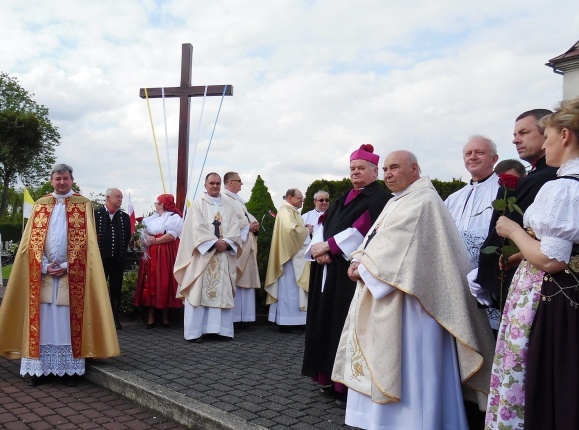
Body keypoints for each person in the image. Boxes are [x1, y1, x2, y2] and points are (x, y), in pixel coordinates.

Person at [331, 150, 495, 429]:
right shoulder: (401, 199)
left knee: (412, 365)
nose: (388, 174)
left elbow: (400, 247)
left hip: (414, 303)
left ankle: (416, 422)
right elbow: (376, 237)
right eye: (385, 169)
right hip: (393, 294)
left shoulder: (423, 200)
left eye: (394, 168)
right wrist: (359, 257)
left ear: (415, 169)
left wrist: (364, 267)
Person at [485, 98, 579, 429]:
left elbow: (552, 259)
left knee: (537, 376)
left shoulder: (564, 188)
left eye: (549, 136)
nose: (548, 143)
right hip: (562, 290)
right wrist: (519, 253)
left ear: (565, 136)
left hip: (549, 296)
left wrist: (512, 230)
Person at [0, 164, 120, 387]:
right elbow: (31, 243)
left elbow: (88, 244)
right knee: (42, 319)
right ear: (51, 180)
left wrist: (68, 265)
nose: (62, 182)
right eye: (58, 178)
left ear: (72, 180)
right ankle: (41, 370)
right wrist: (44, 266)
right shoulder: (41, 205)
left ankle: (70, 371)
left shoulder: (84, 205)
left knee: (67, 319)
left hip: (72, 274)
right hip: (43, 273)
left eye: (65, 178)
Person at [302, 144, 390, 406]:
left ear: (375, 171)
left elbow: (363, 229)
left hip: (350, 272)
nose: (355, 172)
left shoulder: (379, 199)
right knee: (326, 321)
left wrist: (330, 247)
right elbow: (322, 223)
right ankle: (327, 376)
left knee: (344, 323)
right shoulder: (343, 197)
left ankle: (347, 384)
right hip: (327, 269)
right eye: (352, 168)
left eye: (361, 168)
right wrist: (320, 250)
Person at [470, 109, 557, 312]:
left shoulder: (549, 178)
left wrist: (486, 271)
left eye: (524, 133)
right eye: (515, 135)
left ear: (547, 133)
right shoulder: (536, 174)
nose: (516, 140)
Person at [174, 173, 241, 343]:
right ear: (205, 185)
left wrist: (225, 242)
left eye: (218, 183)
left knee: (222, 290)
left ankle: (220, 330)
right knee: (198, 291)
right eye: (212, 183)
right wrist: (213, 244)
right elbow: (196, 229)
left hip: (223, 255)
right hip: (202, 257)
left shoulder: (229, 206)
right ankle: (196, 332)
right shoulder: (197, 205)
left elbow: (235, 228)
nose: (215, 186)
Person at [445, 135, 500, 269]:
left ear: (494, 159)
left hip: (489, 269)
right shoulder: (453, 198)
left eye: (480, 152)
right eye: (468, 153)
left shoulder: (503, 191)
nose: (473, 157)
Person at [133, 193, 183, 328]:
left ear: (162, 204)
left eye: (157, 202)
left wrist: (155, 240)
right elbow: (144, 233)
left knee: (164, 281)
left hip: (165, 253)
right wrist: (143, 239)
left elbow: (172, 235)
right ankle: (151, 315)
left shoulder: (173, 217)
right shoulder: (151, 219)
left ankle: (165, 315)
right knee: (149, 282)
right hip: (151, 254)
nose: (155, 205)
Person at [264, 188, 309, 330]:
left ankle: (294, 320)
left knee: (292, 290)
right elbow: (291, 232)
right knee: (290, 290)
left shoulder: (291, 211)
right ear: (290, 198)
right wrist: (308, 230)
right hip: (289, 259)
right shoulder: (286, 212)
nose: (302, 200)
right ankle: (288, 322)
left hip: (292, 256)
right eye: (299, 198)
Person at [223, 171, 260, 324]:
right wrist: (247, 228)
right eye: (239, 181)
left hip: (246, 245)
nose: (241, 184)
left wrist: (253, 226)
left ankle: (245, 318)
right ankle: (235, 318)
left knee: (245, 282)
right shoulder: (225, 199)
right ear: (230, 182)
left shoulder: (237, 200)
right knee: (236, 281)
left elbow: (244, 218)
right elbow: (227, 223)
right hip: (237, 247)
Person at [95, 188, 132, 330]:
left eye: (121, 197)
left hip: (117, 259)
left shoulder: (124, 217)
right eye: (117, 197)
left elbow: (127, 236)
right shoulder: (95, 214)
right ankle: (99, 319)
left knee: (116, 289)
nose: (120, 199)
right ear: (108, 198)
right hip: (100, 260)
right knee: (99, 288)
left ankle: (115, 319)